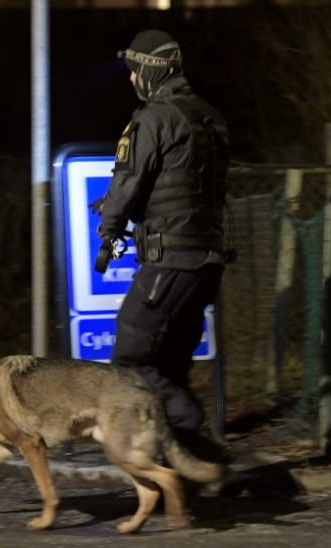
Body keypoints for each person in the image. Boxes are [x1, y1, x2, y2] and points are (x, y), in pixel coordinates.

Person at [92, 29, 231, 461]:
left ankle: (200, 450)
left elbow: (128, 181)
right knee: (169, 367)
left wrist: (109, 237)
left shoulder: (151, 119)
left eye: (135, 71)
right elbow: (183, 188)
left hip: (171, 262)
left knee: (131, 362)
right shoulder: (209, 117)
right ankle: (185, 466)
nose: (131, 80)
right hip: (206, 263)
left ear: (152, 71)